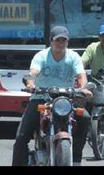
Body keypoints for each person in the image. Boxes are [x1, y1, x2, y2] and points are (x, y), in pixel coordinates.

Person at [12, 25, 91, 166]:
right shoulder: (41, 56)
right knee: (22, 136)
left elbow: (81, 76)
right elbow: (33, 73)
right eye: (58, 40)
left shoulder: (73, 56)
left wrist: (84, 88)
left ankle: (77, 159)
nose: (61, 43)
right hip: (41, 98)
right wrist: (30, 84)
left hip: (66, 99)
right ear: (51, 41)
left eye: (64, 40)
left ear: (67, 42)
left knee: (84, 118)